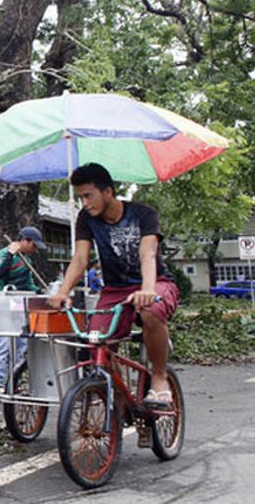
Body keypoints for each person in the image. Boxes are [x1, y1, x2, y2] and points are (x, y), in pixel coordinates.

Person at [48, 162, 179, 410]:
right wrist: (63, 292)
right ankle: (121, 401)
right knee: (96, 340)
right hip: (115, 290)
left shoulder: (144, 214)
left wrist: (148, 289)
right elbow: (81, 259)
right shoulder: (86, 219)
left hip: (155, 282)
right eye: (80, 197)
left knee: (150, 311)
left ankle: (159, 378)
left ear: (108, 191)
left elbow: (147, 253)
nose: (84, 203)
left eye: (88, 195)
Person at [0, 226, 46, 398]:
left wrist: (40, 292)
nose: (35, 249)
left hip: (20, 305)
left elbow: (28, 283)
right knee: (4, 344)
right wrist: (11, 255)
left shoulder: (27, 260)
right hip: (5, 304)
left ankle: (15, 382)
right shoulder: (4, 254)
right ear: (25, 240)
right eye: (33, 245)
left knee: (22, 345)